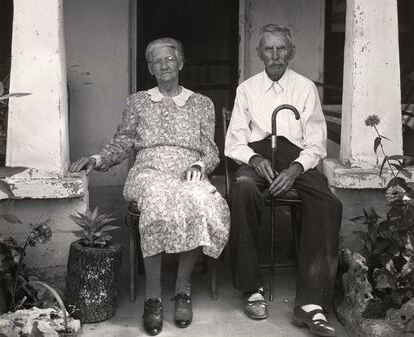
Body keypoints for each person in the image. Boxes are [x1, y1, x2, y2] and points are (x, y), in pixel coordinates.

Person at [69, 37, 230, 336]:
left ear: (181, 63)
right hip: (149, 170)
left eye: (169, 58)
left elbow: (211, 151)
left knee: (199, 200)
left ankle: (182, 290)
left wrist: (199, 166)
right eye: (156, 61)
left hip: (187, 170)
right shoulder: (138, 102)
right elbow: (122, 142)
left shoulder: (202, 104)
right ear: (150, 68)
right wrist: (96, 158)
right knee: (156, 202)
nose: (164, 64)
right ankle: (153, 298)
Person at [225, 24, 342, 337]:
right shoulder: (246, 89)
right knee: (243, 188)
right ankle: (252, 289)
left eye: (281, 49)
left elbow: (317, 143)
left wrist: (295, 169)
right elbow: (234, 141)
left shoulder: (305, 88)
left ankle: (310, 303)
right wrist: (254, 159)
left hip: (295, 160)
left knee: (328, 203)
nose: (275, 56)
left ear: (292, 52)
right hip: (259, 156)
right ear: (259, 53)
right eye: (269, 49)